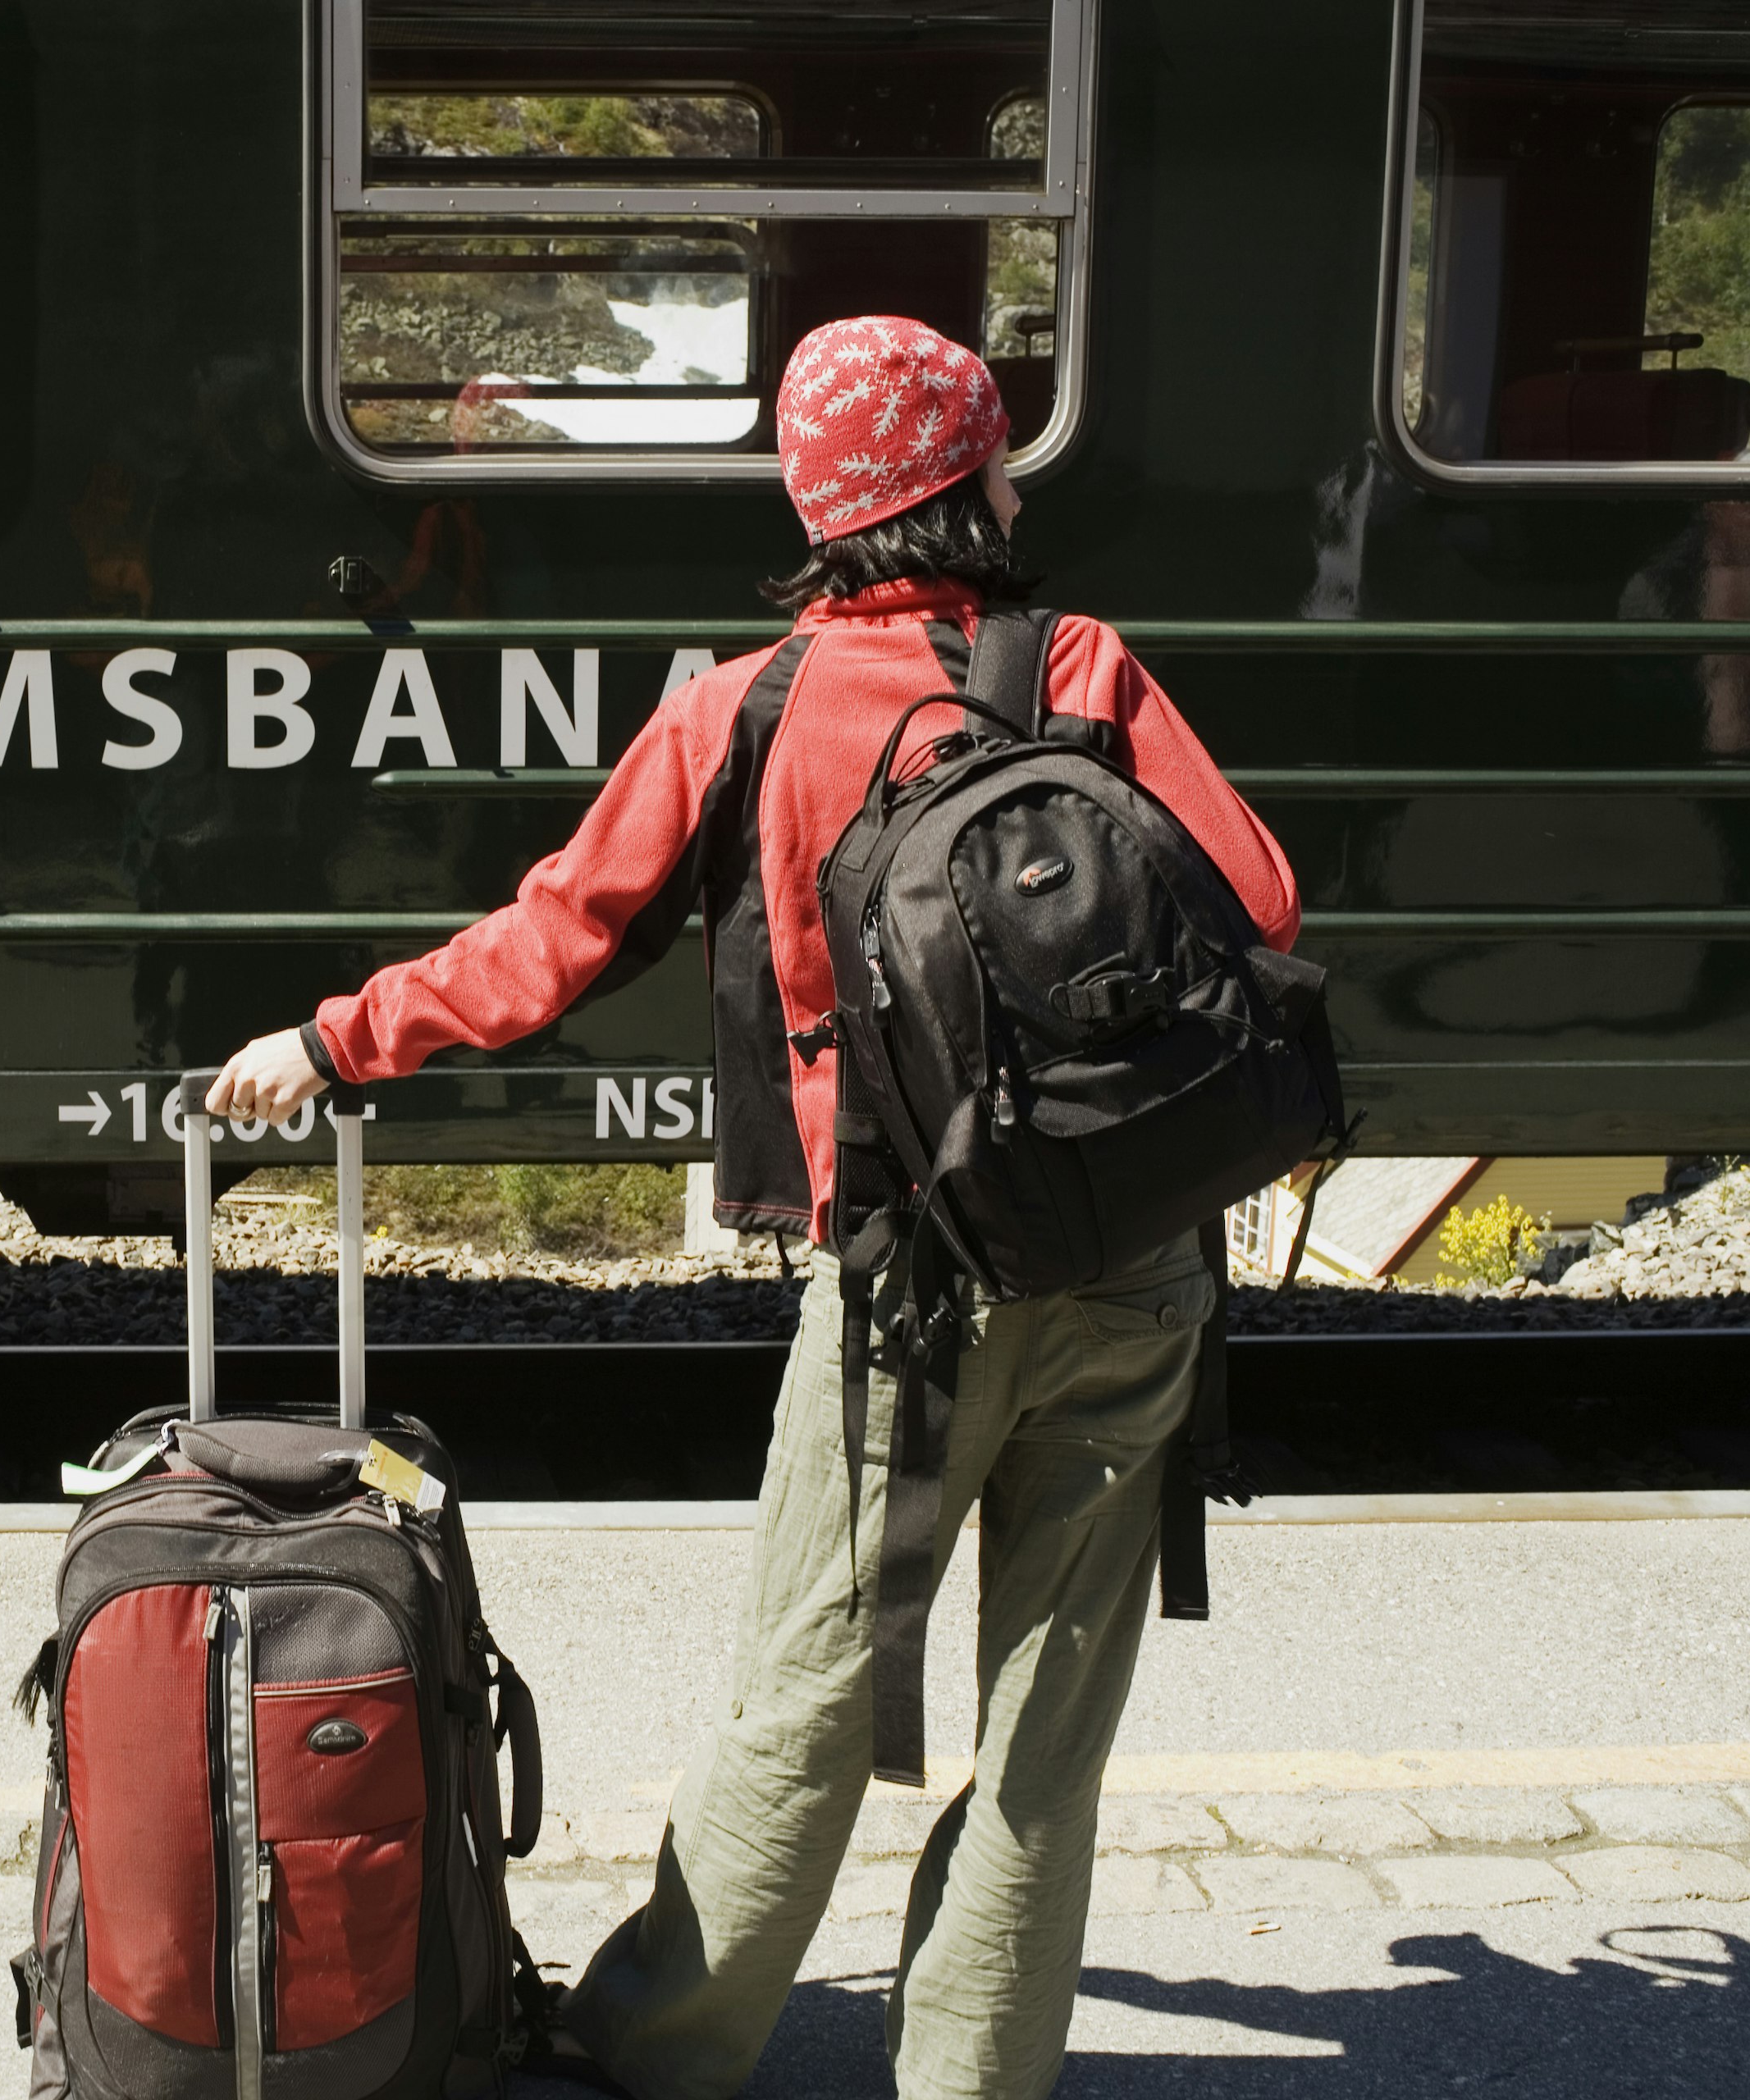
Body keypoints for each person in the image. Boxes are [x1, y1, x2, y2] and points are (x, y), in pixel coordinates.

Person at [202, 316, 1299, 2100]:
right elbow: (1257, 889)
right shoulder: (1081, 662)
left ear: (821, 506)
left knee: (805, 1689)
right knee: (1048, 1720)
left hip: (901, 1288)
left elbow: (543, 946)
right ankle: (973, 2075)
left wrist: (336, 1036)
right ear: (973, 484)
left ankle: (660, 2046)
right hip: (1133, 1258)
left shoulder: (744, 705)